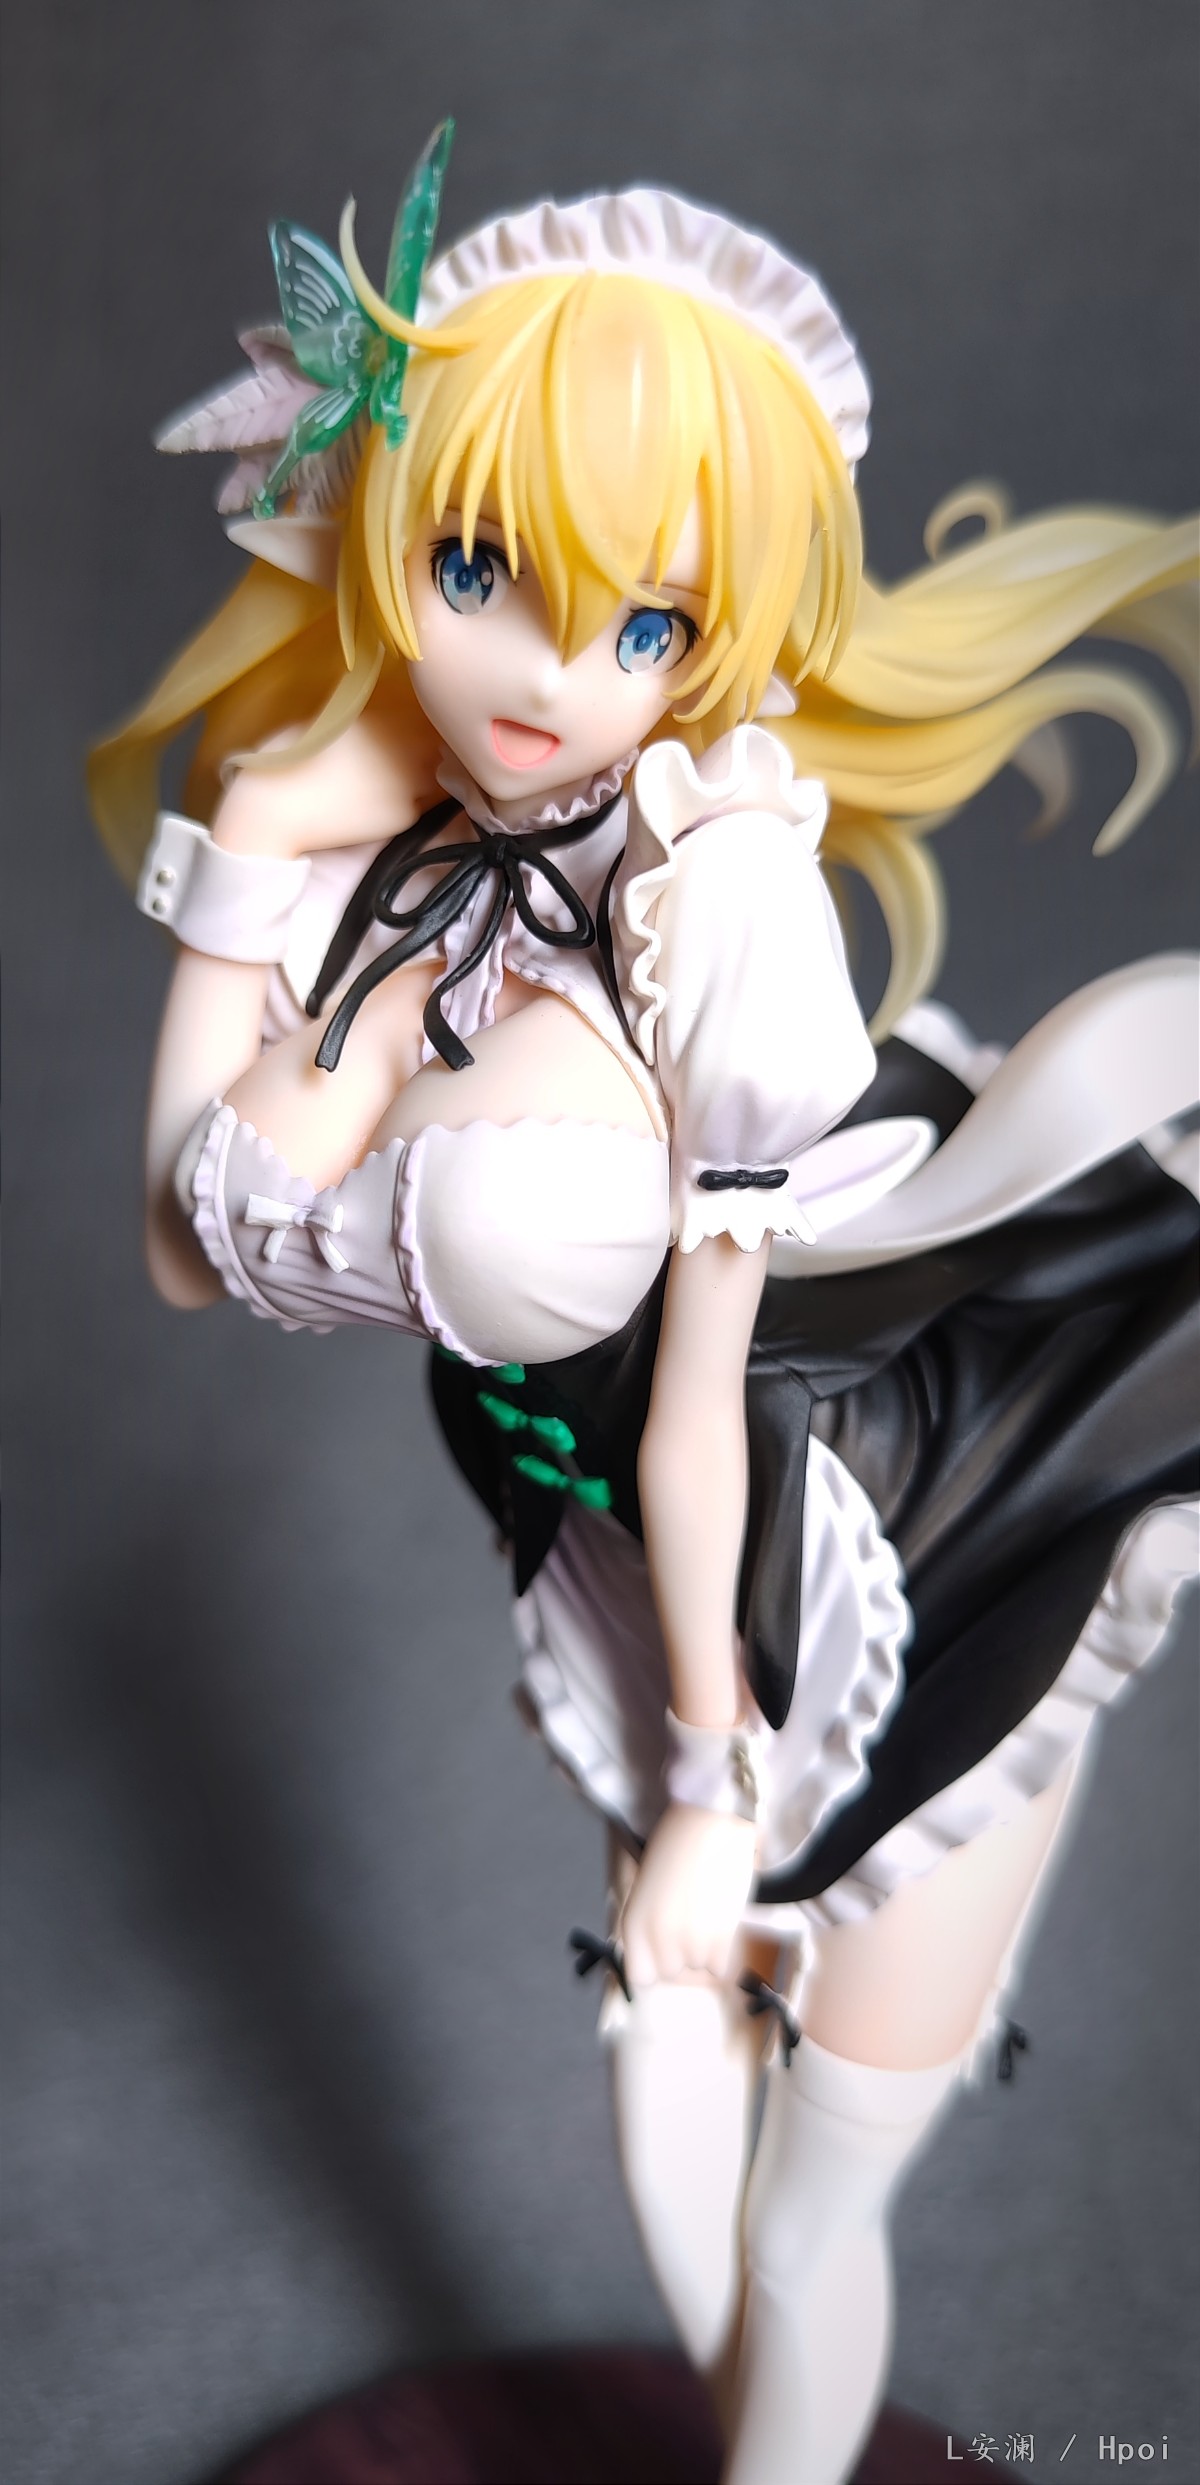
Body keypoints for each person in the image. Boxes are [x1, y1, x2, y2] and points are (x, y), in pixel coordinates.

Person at [89, 125, 1199, 2485]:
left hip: (893, 1513)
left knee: (818, 2204)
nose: (548, 678)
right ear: (400, 522)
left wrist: (716, 1782)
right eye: (483, 568)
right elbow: (187, 1245)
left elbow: (706, 1407)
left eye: (648, 626)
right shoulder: (403, 864)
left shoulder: (718, 908)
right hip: (627, 1543)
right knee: (667, 2089)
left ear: (720, 641)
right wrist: (254, 842)